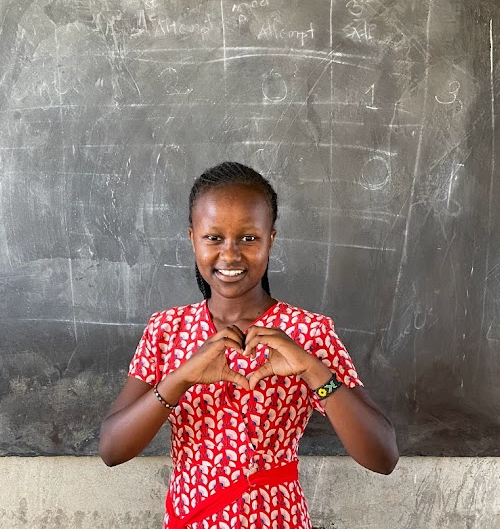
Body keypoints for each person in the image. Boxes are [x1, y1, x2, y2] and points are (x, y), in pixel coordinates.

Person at [99, 162, 399, 529]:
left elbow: (383, 456)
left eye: (248, 238)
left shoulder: (307, 332)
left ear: (270, 239)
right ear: (192, 237)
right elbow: (112, 450)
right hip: (192, 519)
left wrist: (314, 370)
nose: (230, 255)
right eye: (214, 238)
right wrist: (180, 378)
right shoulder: (167, 330)